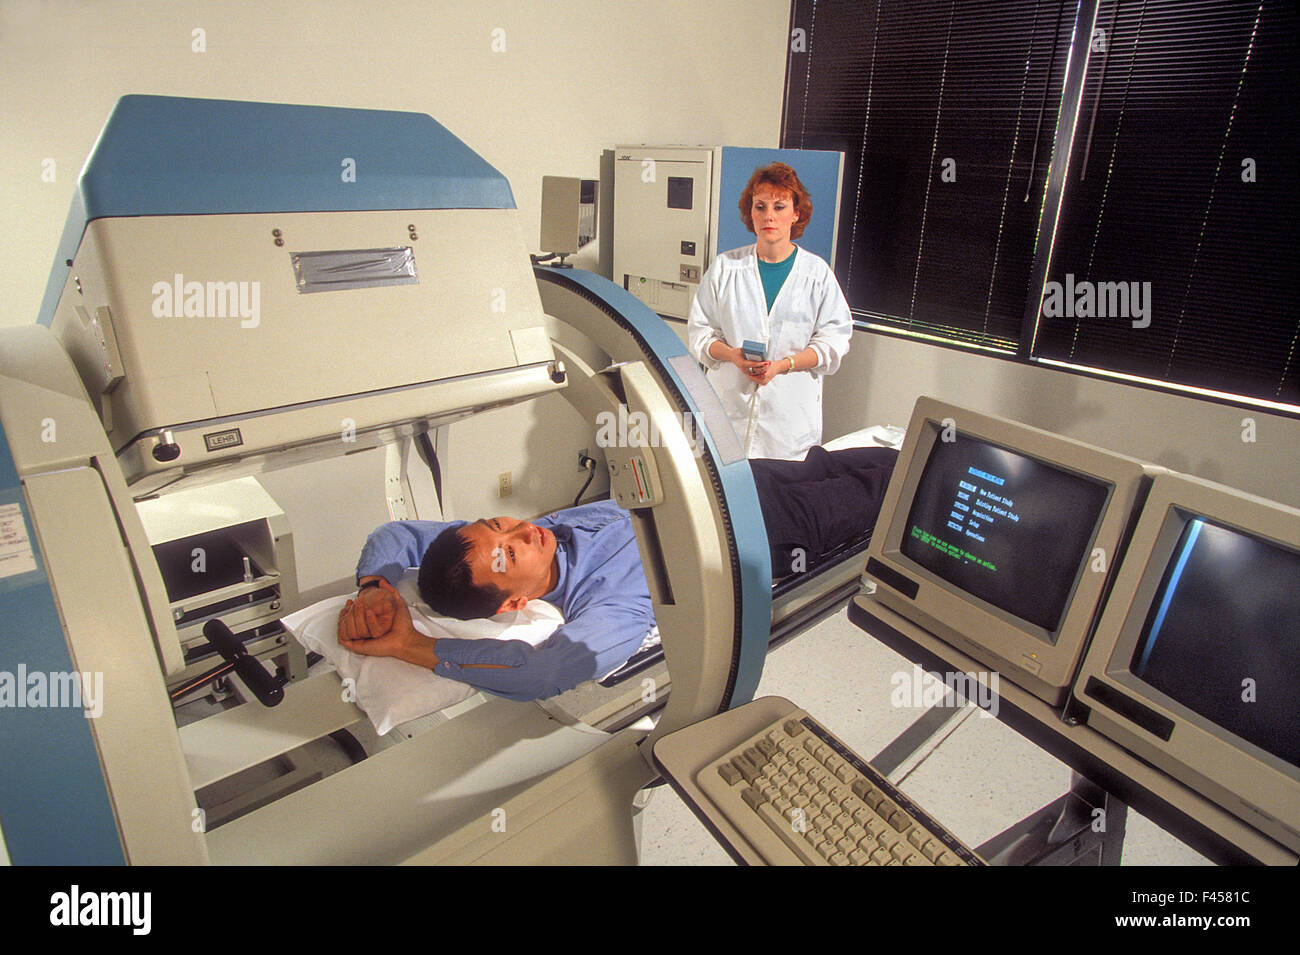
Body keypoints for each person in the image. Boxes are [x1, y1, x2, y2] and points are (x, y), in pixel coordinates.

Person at [338, 446, 898, 701]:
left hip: (746, 476)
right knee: (900, 487)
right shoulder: (612, 601)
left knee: (892, 454)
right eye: (507, 557)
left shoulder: (539, 533)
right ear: (511, 605)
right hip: (780, 527)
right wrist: (412, 645)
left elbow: (397, 534)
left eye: (498, 525)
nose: (519, 533)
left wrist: (375, 586)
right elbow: (541, 673)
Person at [688, 162, 852, 461]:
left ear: (796, 213)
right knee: (722, 500)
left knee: (780, 500)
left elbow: (833, 344)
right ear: (750, 213)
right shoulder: (726, 268)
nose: (769, 216)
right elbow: (700, 333)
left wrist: (783, 365)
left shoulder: (817, 275)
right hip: (728, 415)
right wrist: (732, 355)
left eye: (779, 206)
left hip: (788, 426)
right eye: (760, 206)